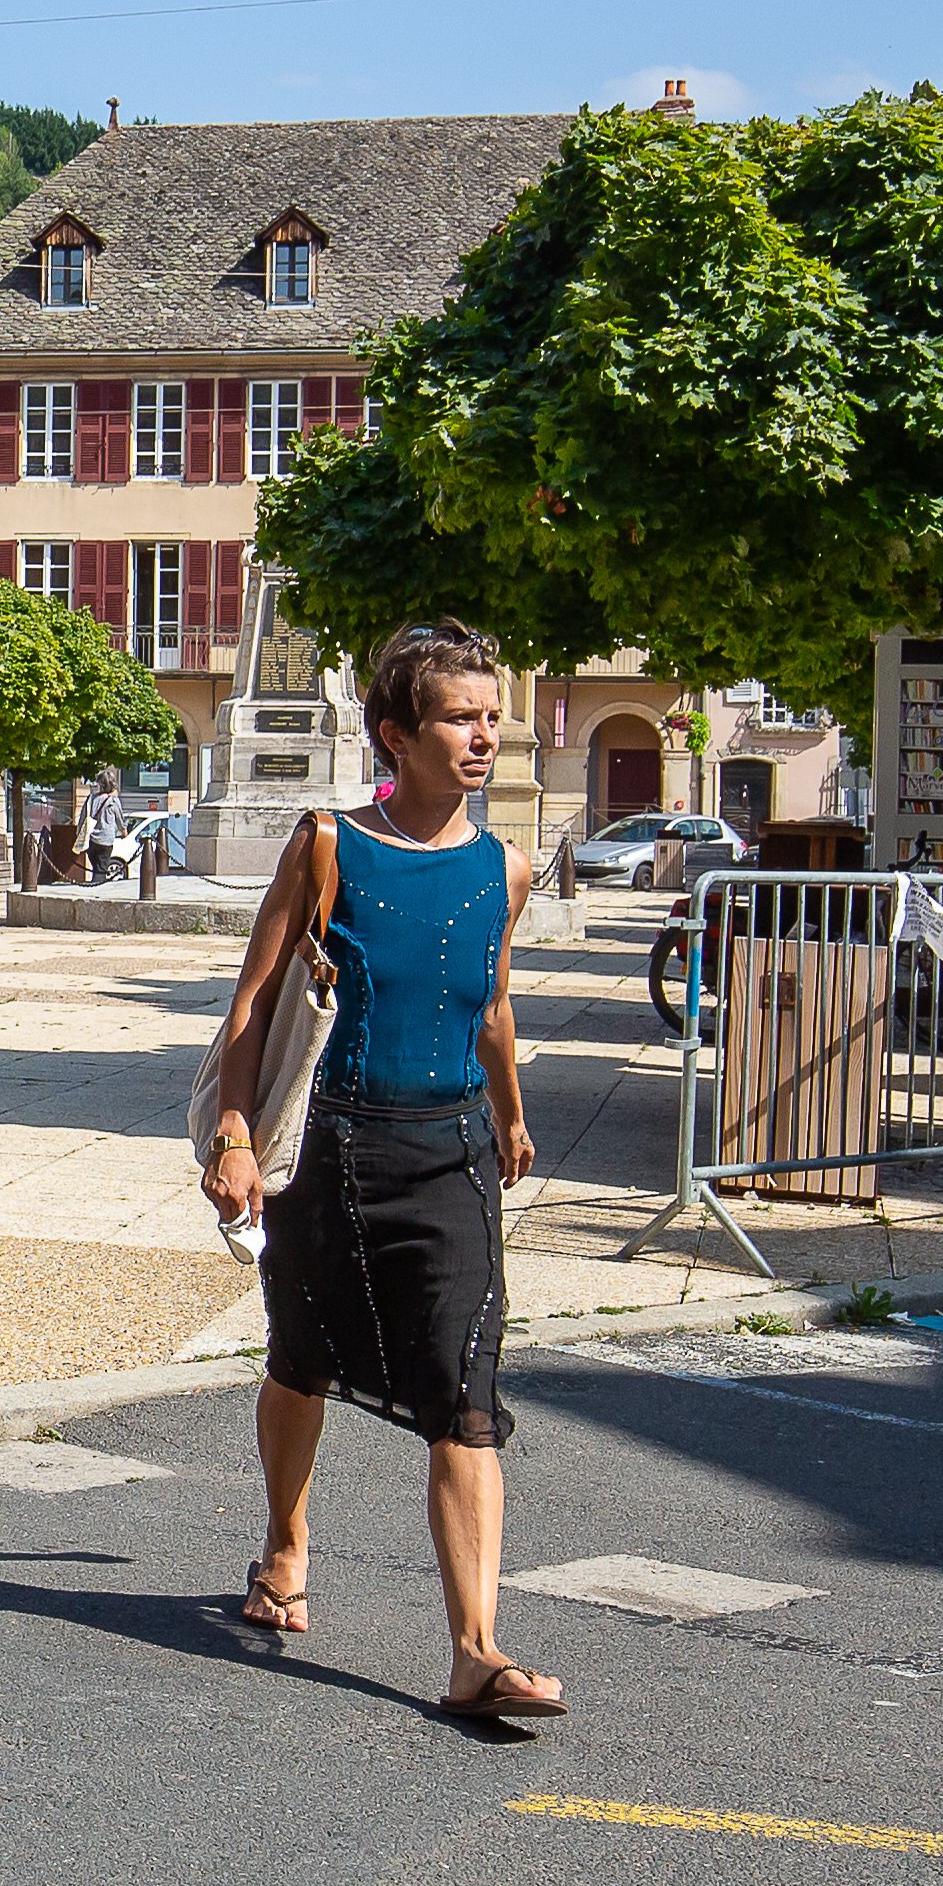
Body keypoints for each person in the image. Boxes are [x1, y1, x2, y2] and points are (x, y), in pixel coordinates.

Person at [197, 619, 562, 1725]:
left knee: (465, 1393)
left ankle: (475, 1651)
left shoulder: (502, 866)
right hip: (333, 1154)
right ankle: (284, 1545)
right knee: (301, 1357)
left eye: (490, 716)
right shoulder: (326, 844)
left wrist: (510, 1114)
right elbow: (255, 1000)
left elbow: (491, 1006)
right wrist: (232, 1133)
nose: (482, 736)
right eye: (458, 717)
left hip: (451, 1152)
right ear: (394, 735)